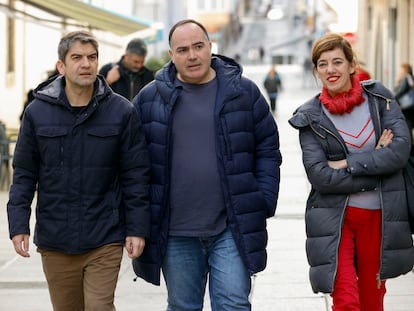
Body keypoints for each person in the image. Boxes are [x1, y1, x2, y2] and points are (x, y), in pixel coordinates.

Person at [132, 19, 282, 310]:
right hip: (175, 232)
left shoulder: (244, 93)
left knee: (234, 304)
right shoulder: (149, 100)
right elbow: (134, 165)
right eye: (183, 49)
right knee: (183, 306)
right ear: (171, 54)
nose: (192, 55)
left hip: (231, 226)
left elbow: (267, 148)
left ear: (210, 47)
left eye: (198, 46)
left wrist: (262, 199)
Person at [7, 30, 151, 311]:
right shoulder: (37, 113)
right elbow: (24, 173)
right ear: (61, 66)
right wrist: (18, 224)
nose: (86, 64)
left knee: (98, 306)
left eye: (92, 57)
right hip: (55, 237)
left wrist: (137, 228)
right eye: (77, 58)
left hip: (105, 235)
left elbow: (136, 174)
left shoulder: (121, 112)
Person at [288, 33, 414, 311]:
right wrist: (376, 160)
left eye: (337, 62)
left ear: (351, 64)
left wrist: (347, 162)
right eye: (323, 64)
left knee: (372, 300)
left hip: (380, 219)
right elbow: (320, 176)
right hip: (335, 220)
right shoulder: (309, 116)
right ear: (315, 70)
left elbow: (399, 153)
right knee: (346, 300)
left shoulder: (381, 100)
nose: (331, 70)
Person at [394, 63, 414, 142]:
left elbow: (399, 92)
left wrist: (397, 84)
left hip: (406, 108)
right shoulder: (410, 78)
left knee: (407, 127)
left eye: (400, 70)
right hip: (410, 108)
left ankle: (409, 149)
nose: (399, 72)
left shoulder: (406, 78)